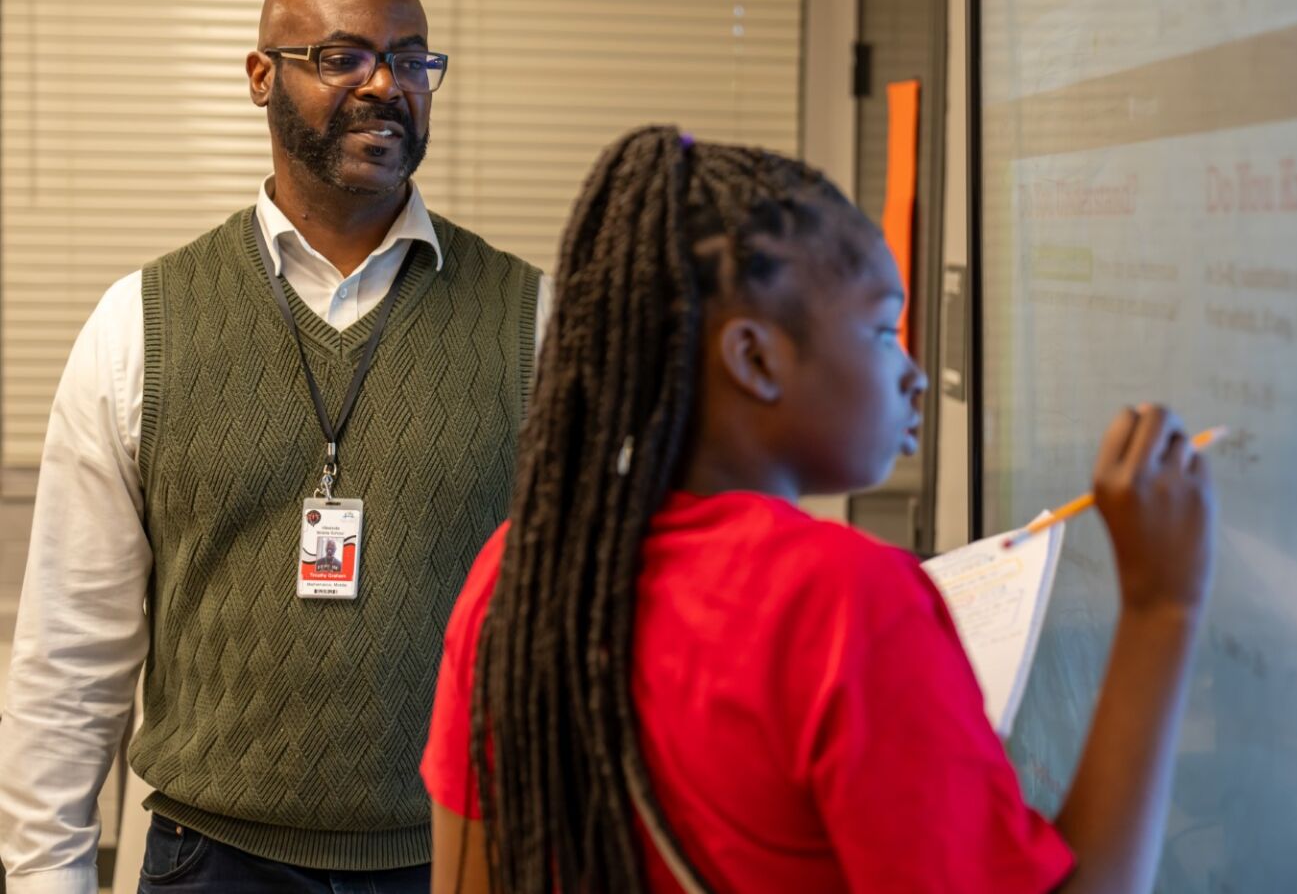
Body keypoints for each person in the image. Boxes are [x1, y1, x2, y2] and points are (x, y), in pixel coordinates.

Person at [420, 126, 1216, 893]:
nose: (912, 376)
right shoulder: (842, 598)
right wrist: (1160, 605)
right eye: (881, 331)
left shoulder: (516, 571)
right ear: (755, 358)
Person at [0, 0, 550, 893]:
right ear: (262, 76)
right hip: (207, 859)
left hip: (457, 856)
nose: (386, 85)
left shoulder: (534, 324)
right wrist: (48, 875)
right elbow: (71, 653)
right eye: (343, 57)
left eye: (412, 60)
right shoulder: (140, 323)